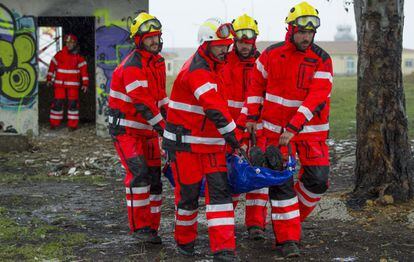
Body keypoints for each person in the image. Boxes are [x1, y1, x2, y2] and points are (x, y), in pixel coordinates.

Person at [245, 1, 333, 257]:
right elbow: (255, 86)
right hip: (273, 134)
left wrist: (294, 126)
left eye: (310, 32)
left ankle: (291, 218)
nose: (306, 37)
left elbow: (316, 98)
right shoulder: (271, 54)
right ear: (291, 29)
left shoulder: (322, 59)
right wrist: (251, 116)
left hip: (309, 134)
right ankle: (287, 241)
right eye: (302, 31)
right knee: (281, 185)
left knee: (318, 181)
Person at [162, 17, 240, 261]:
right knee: (188, 196)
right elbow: (213, 105)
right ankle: (185, 243)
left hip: (211, 145)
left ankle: (224, 250)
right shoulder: (196, 70)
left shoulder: (217, 66)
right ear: (205, 44)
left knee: (220, 197)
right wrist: (232, 135)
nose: (224, 49)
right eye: (219, 45)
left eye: (226, 45)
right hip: (185, 145)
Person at [108, 11, 168, 244]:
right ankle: (140, 229)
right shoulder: (132, 65)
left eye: (157, 36)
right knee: (139, 175)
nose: (154, 41)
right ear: (138, 40)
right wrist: (165, 129)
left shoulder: (158, 62)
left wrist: (172, 123)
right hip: (126, 131)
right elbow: (143, 102)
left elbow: (161, 99)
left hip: (147, 130)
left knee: (154, 179)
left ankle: (152, 229)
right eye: (149, 38)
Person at [221, 14, 268, 240]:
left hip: (254, 128)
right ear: (234, 40)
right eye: (240, 41)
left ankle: (256, 225)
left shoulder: (263, 63)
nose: (244, 45)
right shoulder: (223, 61)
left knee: (257, 176)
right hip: (229, 130)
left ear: (254, 40)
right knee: (231, 175)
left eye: (248, 42)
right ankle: (225, 222)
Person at [47, 34, 89, 130]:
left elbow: (84, 71)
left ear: (75, 44)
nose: (69, 44)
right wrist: (49, 79)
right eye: (68, 42)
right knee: (57, 104)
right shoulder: (59, 55)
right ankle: (54, 124)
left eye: (72, 42)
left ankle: (72, 125)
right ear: (65, 43)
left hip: (73, 86)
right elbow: (52, 67)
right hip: (59, 85)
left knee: (73, 105)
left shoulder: (78, 57)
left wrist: (85, 84)